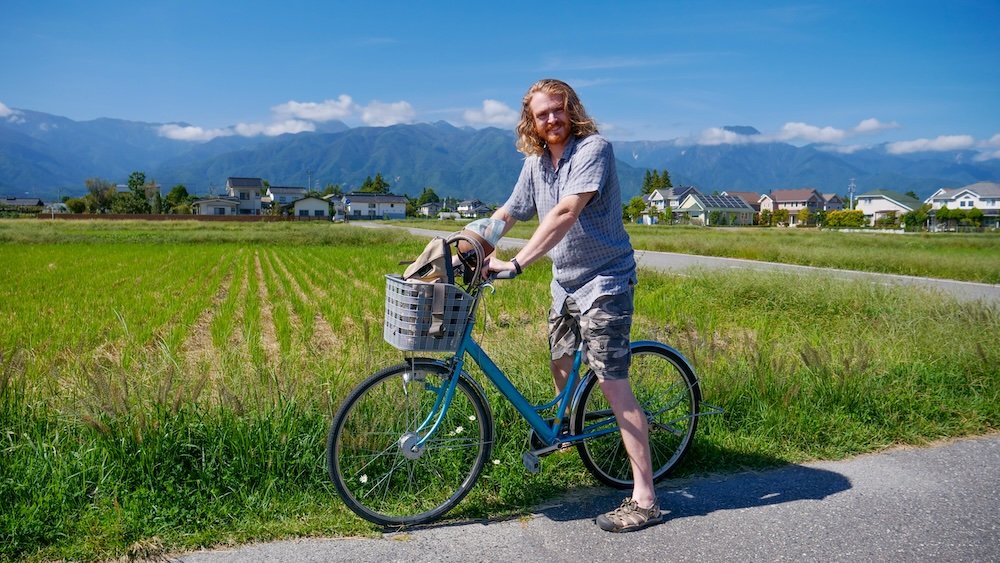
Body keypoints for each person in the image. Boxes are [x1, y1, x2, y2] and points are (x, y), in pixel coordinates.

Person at [485, 79, 661, 532]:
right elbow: (509, 211)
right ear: (532, 122)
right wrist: (475, 242)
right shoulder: (536, 163)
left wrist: (518, 263)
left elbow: (565, 212)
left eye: (557, 110)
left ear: (572, 110)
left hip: (604, 280)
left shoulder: (593, 149)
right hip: (564, 283)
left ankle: (645, 497)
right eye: (542, 114)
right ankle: (567, 434)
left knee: (611, 383)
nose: (551, 120)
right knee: (561, 363)